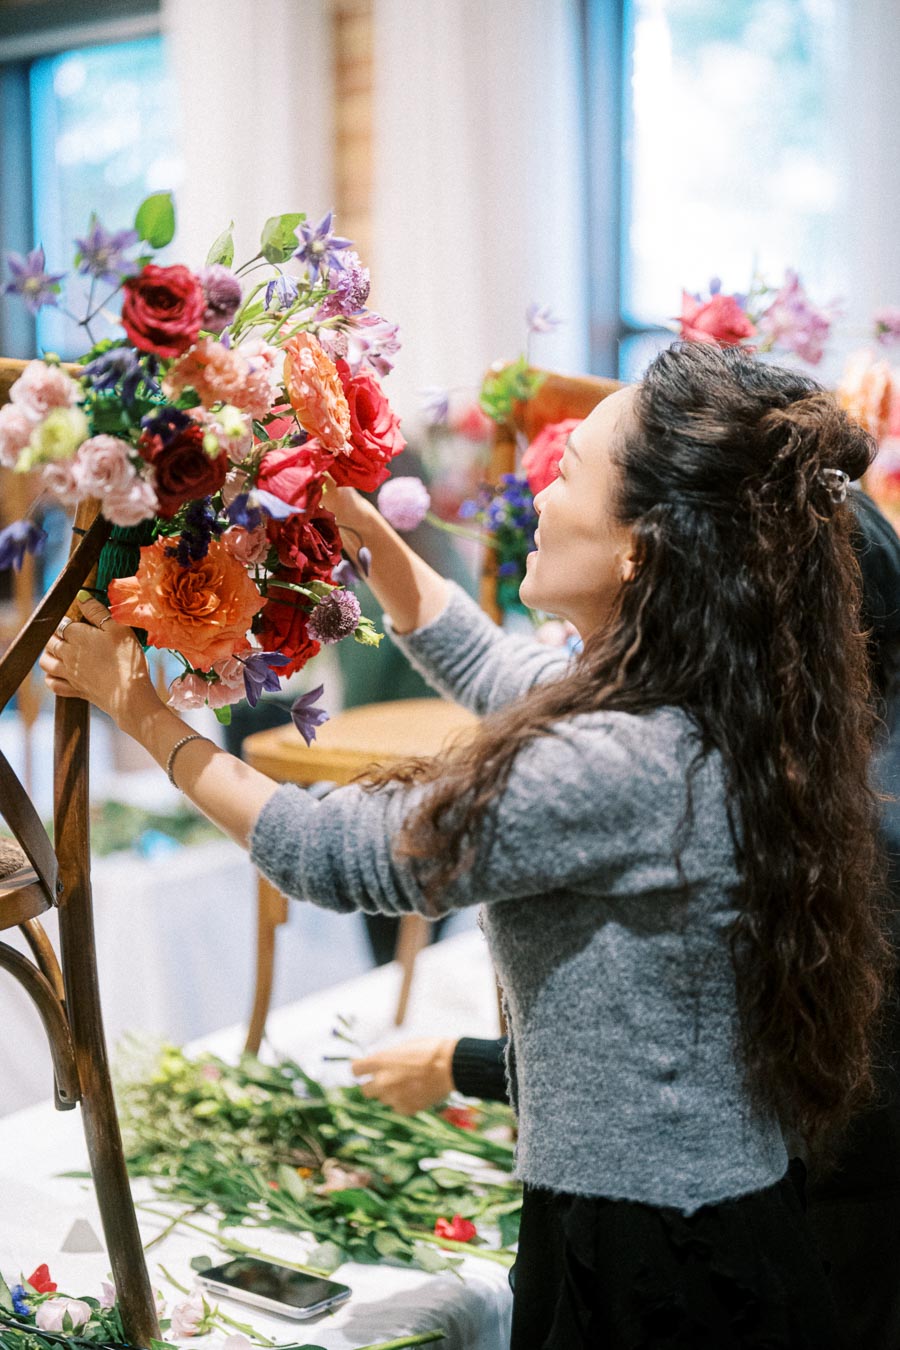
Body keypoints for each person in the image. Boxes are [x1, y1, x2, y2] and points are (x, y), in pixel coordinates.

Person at [40, 343, 890, 1349]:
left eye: (569, 470)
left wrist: (142, 712)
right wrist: (369, 543)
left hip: (654, 1263)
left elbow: (333, 851)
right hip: (700, 1218)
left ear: (641, 551)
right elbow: (505, 671)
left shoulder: (627, 759)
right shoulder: (713, 704)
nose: (539, 490)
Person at [349, 486, 900, 1347]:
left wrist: (468, 1066)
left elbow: (713, 1046)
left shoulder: (822, 789)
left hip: (815, 1213)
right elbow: (504, 673)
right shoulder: (782, 735)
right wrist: (370, 539)